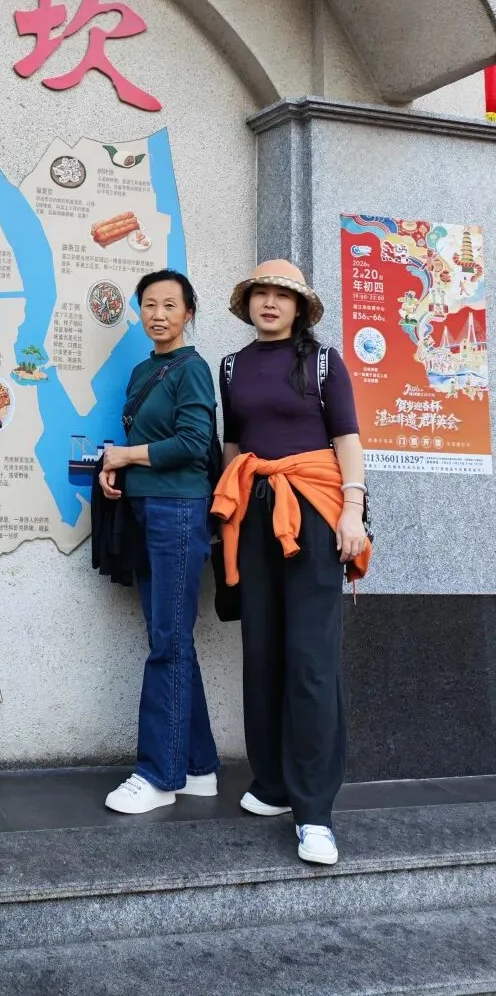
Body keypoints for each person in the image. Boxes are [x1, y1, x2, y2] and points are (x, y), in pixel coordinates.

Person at [212, 260, 370, 868]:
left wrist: (352, 513)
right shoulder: (232, 366)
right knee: (262, 652)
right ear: (248, 303)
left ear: (300, 307)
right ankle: (274, 784)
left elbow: (347, 439)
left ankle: (314, 812)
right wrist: (224, 510)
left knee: (310, 660)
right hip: (253, 513)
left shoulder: (325, 362)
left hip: (314, 510)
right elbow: (233, 443)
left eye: (282, 295)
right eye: (261, 294)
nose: (270, 303)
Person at [92, 268, 221, 814]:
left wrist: (125, 455)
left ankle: (158, 776)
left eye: (170, 305)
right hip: (146, 509)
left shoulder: (193, 369)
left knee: (168, 640)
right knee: (171, 637)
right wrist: (116, 468)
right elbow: (147, 442)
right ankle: (198, 769)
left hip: (180, 512)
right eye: (149, 304)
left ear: (188, 313)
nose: (159, 314)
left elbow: (193, 443)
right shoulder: (145, 369)